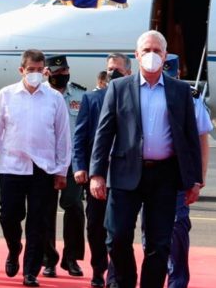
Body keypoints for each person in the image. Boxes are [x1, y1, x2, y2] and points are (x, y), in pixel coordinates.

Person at [90, 30, 203, 288]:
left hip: (164, 176)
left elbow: (190, 138)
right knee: (116, 238)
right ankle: (126, 282)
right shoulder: (119, 88)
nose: (152, 55)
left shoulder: (180, 91)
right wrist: (97, 173)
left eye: (157, 51)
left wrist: (195, 180)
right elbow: (104, 132)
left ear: (165, 56)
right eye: (147, 51)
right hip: (124, 173)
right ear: (137, 55)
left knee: (158, 244)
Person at [0, 49, 71, 287]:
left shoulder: (54, 98)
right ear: (21, 70)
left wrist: (62, 170)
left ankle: (30, 271)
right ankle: (14, 248)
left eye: (38, 70)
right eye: (29, 70)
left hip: (43, 169)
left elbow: (63, 137)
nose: (34, 74)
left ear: (45, 71)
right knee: (8, 216)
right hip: (12, 166)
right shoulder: (6, 95)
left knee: (38, 222)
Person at [73, 53, 132, 288]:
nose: (112, 74)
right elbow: (79, 136)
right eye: (109, 69)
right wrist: (79, 167)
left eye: (117, 70)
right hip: (97, 173)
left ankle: (115, 274)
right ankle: (99, 267)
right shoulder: (92, 99)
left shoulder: (134, 99)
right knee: (95, 226)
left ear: (128, 73)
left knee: (117, 230)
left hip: (123, 175)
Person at [160, 54, 211, 288]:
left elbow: (202, 138)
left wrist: (200, 177)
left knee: (177, 226)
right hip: (152, 172)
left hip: (180, 173)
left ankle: (177, 282)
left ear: (179, 75)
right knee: (153, 230)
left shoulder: (190, 97)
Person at [41, 54, 86, 278]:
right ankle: (48, 259)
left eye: (65, 71)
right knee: (46, 210)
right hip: (46, 162)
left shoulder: (79, 94)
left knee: (74, 207)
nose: (62, 76)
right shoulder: (39, 95)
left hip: (72, 162)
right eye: (57, 73)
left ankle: (72, 258)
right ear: (47, 73)